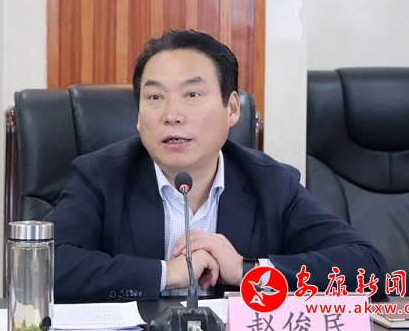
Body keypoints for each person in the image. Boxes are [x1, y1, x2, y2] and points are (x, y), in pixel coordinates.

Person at [48, 29, 388, 302]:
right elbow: (44, 266)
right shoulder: (101, 176)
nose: (172, 114)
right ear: (138, 116)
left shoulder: (271, 183)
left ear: (232, 109)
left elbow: (368, 268)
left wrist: (248, 271)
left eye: (192, 95)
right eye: (155, 97)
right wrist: (167, 273)